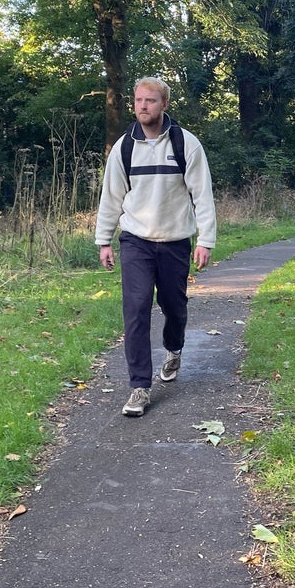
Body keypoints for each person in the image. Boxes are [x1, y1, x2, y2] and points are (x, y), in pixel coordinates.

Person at [95, 76, 217, 417]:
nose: (143, 106)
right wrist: (104, 240)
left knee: (174, 306)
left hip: (175, 241)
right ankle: (139, 387)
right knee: (136, 308)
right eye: (138, 100)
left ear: (164, 104)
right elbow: (111, 197)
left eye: (150, 100)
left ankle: (174, 348)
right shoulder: (124, 148)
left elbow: (202, 195)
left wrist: (205, 240)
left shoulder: (186, 144)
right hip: (136, 241)